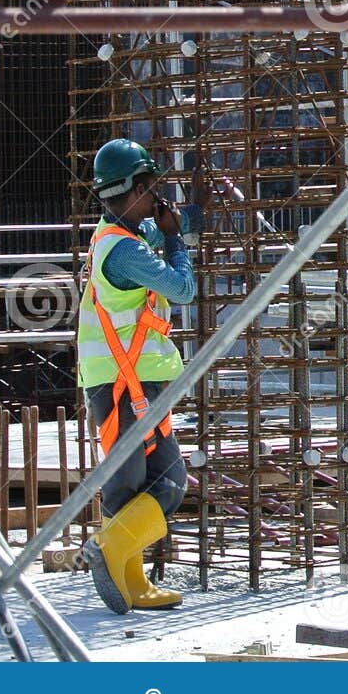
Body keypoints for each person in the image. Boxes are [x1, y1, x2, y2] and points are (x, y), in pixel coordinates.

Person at [77, 139, 209, 613]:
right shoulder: (123, 253)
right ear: (133, 188)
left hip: (138, 381)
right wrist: (177, 241)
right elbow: (184, 288)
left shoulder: (121, 233)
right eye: (151, 186)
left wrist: (193, 210)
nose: (157, 195)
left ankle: (122, 563)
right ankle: (113, 554)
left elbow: (169, 223)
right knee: (129, 483)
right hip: (120, 383)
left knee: (166, 483)